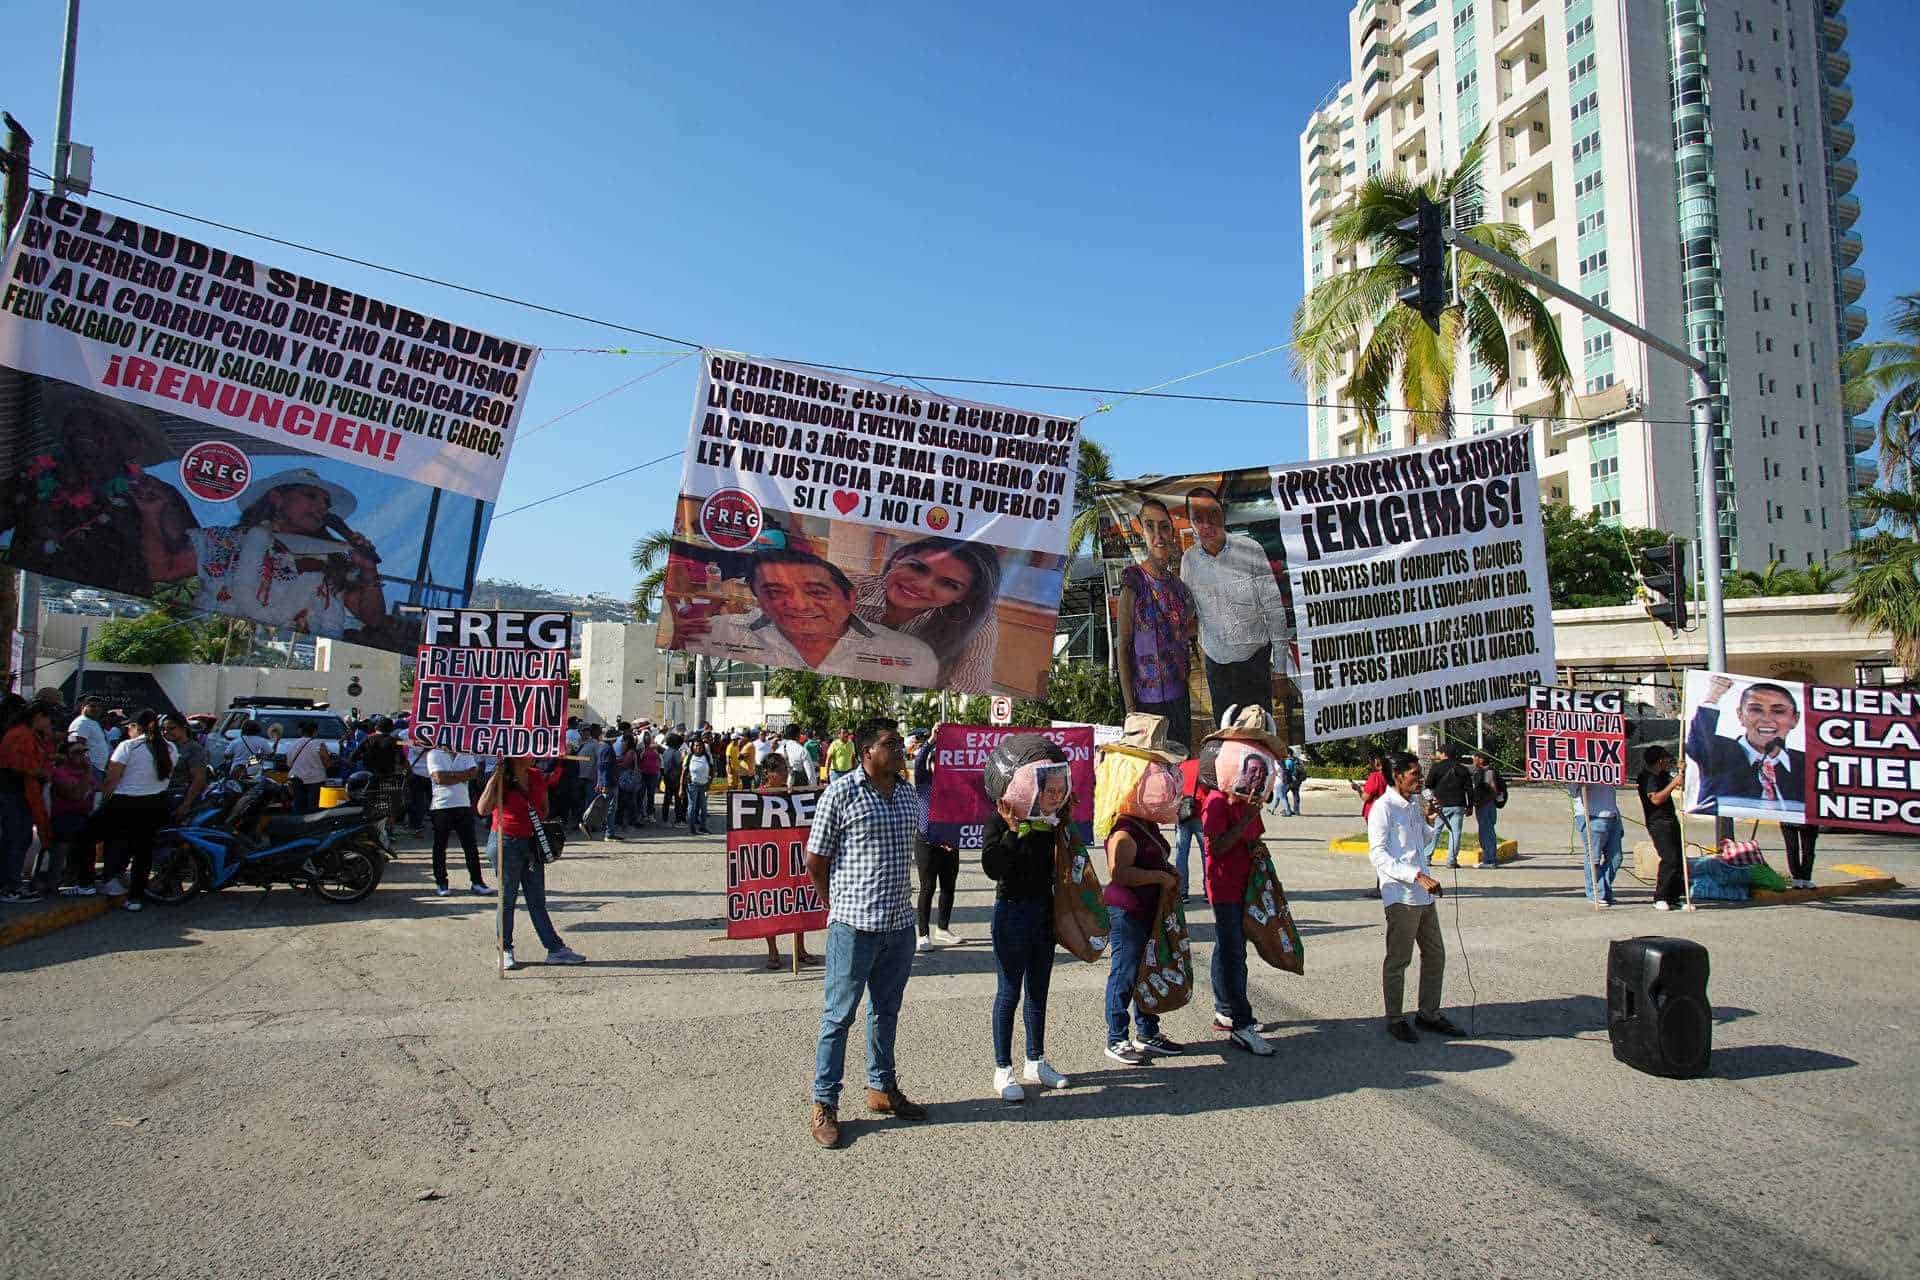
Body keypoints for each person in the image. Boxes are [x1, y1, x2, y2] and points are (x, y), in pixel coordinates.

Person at [804, 717, 929, 1149]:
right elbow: (816, 861)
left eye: (899, 743)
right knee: (838, 1017)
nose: (899, 749)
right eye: (889, 743)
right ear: (866, 753)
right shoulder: (840, 793)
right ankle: (824, 1103)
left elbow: (926, 838)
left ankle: (882, 1089)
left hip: (899, 926)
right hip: (853, 926)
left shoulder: (908, 795)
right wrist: (835, 904)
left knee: (886, 1011)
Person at [132, 466, 391, 636]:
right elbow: (161, 570)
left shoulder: (335, 558)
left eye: (326, 503)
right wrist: (151, 515)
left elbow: (372, 617)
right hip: (220, 651)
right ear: (277, 498)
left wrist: (369, 570)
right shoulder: (226, 542)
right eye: (311, 496)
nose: (322, 507)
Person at [699, 549, 939, 684]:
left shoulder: (911, 655)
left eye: (817, 592)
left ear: (850, 599)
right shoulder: (714, 632)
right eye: (775, 592)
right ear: (758, 599)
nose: (799, 605)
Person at [1199, 706, 1287, 1056]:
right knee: (1234, 952)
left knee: (1230, 948)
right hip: (1224, 886)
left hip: (1246, 885)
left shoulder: (1248, 800)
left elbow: (1253, 839)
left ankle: (1226, 1009)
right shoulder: (1217, 801)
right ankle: (1241, 1023)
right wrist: (1245, 817)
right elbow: (1217, 846)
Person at [1099, 722, 1187, 1066]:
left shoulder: (1144, 822)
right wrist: (1158, 877)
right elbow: (1119, 873)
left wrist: (1167, 873)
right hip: (1128, 911)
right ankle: (1116, 1037)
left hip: (1148, 909)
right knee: (1125, 972)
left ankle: (1147, 1031)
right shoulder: (1123, 829)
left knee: (1147, 971)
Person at [981, 775, 1071, 1102]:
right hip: (1011, 913)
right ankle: (1002, 1069)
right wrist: (1014, 831)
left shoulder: (1052, 823)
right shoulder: (999, 819)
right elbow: (993, 867)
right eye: (1051, 790)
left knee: (1038, 990)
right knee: (1009, 991)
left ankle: (1036, 1060)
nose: (1056, 796)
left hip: (1043, 914)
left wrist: (1062, 820)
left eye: (1061, 791)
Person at [1369, 751, 1464, 1042]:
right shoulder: (1383, 808)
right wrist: (1415, 875)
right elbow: (1378, 855)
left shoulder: (1412, 804)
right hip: (1401, 895)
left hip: (1424, 896)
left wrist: (1430, 819)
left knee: (1435, 954)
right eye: (1414, 774)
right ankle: (1395, 1018)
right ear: (1397, 776)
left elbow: (1421, 839)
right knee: (1399, 960)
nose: (1420, 778)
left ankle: (1428, 1013)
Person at [1179, 486, 1290, 718]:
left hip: (1256, 663)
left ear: (1223, 515)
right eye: (1198, 518)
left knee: (1261, 733)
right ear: (1190, 522)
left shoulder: (1250, 550)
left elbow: (1274, 611)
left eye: (1213, 515)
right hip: (1217, 667)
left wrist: (1280, 671)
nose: (1207, 525)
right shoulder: (1188, 562)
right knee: (1227, 737)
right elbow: (1189, 613)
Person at [845, 536, 1005, 691]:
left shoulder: (978, 624)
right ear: (898, 559)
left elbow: (968, 690)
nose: (921, 585)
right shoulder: (845, 588)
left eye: (948, 584)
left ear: (964, 596)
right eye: (917, 568)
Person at [476, 756, 585, 971]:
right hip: (504, 842)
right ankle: (504, 950)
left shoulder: (535, 776)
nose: (533, 754)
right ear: (514, 755)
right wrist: (494, 779)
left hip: (531, 842)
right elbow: (482, 809)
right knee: (507, 899)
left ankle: (555, 949)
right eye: (527, 750)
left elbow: (544, 809)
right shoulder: (500, 777)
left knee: (537, 899)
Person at [1116, 497, 1199, 736]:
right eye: (1150, 527)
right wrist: (1131, 709)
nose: (1158, 535)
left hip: (1179, 700)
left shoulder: (1179, 587)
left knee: (1181, 765)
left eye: (1164, 527)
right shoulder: (1133, 582)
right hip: (1146, 706)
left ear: (1172, 533)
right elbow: (1123, 646)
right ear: (1141, 532)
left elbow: (1188, 630)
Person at [87, 709, 180, 912]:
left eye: (129, 726)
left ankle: (90, 882)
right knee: (142, 852)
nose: (127, 730)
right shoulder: (171, 748)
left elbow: (112, 779)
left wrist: (102, 796)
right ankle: (135, 897)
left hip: (125, 802)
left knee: (87, 835)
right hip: (155, 804)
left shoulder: (128, 746)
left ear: (136, 727)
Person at [1684, 677, 1806, 820]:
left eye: (1778, 711)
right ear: (1740, 716)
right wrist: (1713, 696)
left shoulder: (1808, 764)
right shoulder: (1719, 752)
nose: (1766, 719)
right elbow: (1699, 740)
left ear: (1795, 719)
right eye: (1756, 710)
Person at [755, 754, 818, 968]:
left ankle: (800, 949)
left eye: (785, 769)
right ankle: (773, 952)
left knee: (797, 902)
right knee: (771, 905)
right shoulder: (757, 797)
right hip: (769, 859)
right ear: (768, 774)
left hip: (792, 858)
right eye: (780, 770)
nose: (785, 774)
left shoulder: (793, 795)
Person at [911, 730, 961, 952]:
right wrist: (932, 740)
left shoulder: (954, 786)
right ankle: (922, 934)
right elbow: (920, 759)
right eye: (936, 762)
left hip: (950, 842)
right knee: (927, 888)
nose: (939, 766)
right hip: (926, 842)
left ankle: (943, 928)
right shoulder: (923, 781)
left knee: (948, 887)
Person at [0, 704, 54, 903]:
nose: (49, 723)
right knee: (17, 839)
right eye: (48, 719)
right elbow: (15, 762)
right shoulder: (20, 735)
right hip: (16, 793)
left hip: (20, 793)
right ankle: (10, 886)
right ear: (39, 716)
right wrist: (39, 771)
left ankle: (10, 883)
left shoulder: (25, 734)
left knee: (17, 839)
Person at [427, 746, 491, 897]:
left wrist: (451, 776)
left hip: (463, 804)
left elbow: (473, 773)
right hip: (441, 806)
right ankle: (441, 882)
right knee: (440, 847)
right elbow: (439, 778)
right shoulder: (434, 753)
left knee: (471, 847)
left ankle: (477, 882)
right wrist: (463, 775)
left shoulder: (465, 753)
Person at [1637, 747, 1687, 909]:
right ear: (1659, 761)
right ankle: (1661, 897)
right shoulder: (1648, 778)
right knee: (1669, 858)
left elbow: (1681, 783)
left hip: (1671, 820)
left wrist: (1682, 772)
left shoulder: (1663, 775)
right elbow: (1656, 800)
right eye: (1666, 760)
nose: (1668, 763)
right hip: (1657, 823)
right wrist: (1673, 783)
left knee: (1679, 859)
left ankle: (1674, 897)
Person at [51, 739, 98, 896]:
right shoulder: (59, 772)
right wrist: (88, 772)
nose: (82, 755)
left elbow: (102, 788)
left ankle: (88, 878)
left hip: (84, 815)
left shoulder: (86, 772)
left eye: (84, 751)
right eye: (77, 752)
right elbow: (76, 795)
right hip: (65, 816)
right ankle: (83, 881)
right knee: (84, 832)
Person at [1571, 780, 1625, 908]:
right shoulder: (1578, 767)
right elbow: (1573, 791)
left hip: (1612, 814)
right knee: (1594, 857)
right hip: (1591, 815)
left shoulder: (1608, 765)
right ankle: (1596, 893)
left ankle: (1603, 890)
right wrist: (1585, 780)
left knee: (1616, 857)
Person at [1424, 745, 1475, 869]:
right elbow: (1469, 789)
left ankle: (1426, 857)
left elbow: (1428, 784)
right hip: (1459, 804)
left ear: (1444, 754)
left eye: (1439, 753)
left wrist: (1430, 801)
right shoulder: (1462, 769)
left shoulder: (1436, 767)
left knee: (1436, 831)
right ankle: (1451, 860)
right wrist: (1470, 806)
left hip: (1441, 804)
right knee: (1455, 832)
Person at [1173, 752, 1207, 902]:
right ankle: (1208, 891)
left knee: (1181, 854)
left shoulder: (1180, 766)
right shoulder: (1204, 767)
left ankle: (1182, 891)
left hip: (1182, 815)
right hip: (1201, 814)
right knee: (1206, 854)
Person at [282, 721, 332, 814]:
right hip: (316, 780)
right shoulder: (319, 744)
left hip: (296, 779)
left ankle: (297, 824)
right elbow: (327, 763)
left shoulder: (291, 744)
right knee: (314, 807)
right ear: (315, 732)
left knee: (298, 805)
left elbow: (289, 764)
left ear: (302, 731)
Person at [1469, 750, 1506, 869]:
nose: (1473, 759)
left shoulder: (1488, 772)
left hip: (1486, 805)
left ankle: (1489, 860)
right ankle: (1490, 858)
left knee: (1486, 832)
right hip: (1488, 805)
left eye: (1475, 757)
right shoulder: (1486, 770)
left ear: (1481, 759)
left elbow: (1493, 789)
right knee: (1488, 831)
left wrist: (1482, 801)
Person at [67, 697, 110, 780]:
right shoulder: (82, 722)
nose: (96, 709)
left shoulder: (92, 722)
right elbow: (74, 744)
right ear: (83, 707)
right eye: (92, 706)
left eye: (99, 706)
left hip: (97, 768)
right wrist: (85, 767)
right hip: (89, 768)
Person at [685, 738, 713, 835]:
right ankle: (691, 828)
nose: (698, 747)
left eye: (700, 746)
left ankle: (702, 827)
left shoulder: (707, 757)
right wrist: (681, 787)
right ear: (693, 747)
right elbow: (683, 772)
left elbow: (712, 771)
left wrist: (709, 784)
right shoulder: (689, 757)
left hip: (704, 786)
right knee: (691, 807)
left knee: (704, 808)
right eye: (696, 746)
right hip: (692, 785)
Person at [1781, 822, 1821, 890]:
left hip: (1809, 820)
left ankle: (1806, 878)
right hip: (1789, 819)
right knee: (1792, 849)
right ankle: (1796, 878)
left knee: (1809, 851)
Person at [636, 732, 662, 823]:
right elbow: (637, 761)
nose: (647, 739)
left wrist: (658, 766)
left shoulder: (655, 748)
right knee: (641, 794)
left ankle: (650, 814)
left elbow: (660, 757)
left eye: (648, 737)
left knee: (651, 795)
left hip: (653, 774)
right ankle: (640, 813)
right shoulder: (640, 749)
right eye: (645, 738)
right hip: (643, 774)